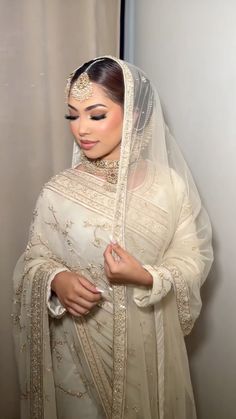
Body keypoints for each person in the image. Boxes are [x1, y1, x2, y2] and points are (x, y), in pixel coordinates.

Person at [12, 56, 213, 419]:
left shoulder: (169, 187)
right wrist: (55, 280)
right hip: (76, 362)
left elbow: (192, 260)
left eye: (96, 114)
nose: (81, 129)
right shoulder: (58, 192)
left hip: (149, 358)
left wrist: (145, 276)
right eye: (73, 115)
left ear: (133, 114)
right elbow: (32, 261)